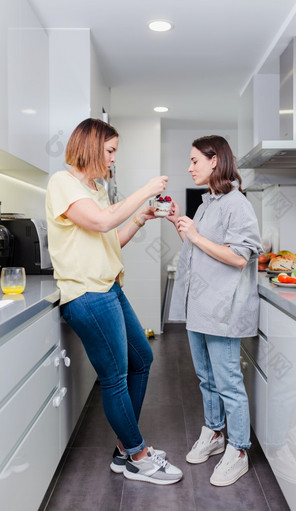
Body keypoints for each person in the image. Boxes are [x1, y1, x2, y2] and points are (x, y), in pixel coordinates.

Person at [45, 118, 183, 486]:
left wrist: (140, 218)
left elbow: (110, 239)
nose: (113, 159)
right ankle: (137, 455)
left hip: (109, 288)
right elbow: (103, 222)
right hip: (86, 294)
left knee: (142, 359)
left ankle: (125, 449)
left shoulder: (96, 188)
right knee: (115, 377)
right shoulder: (63, 183)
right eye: (110, 151)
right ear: (90, 146)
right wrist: (145, 190)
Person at [168, 135, 263, 486]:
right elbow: (202, 251)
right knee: (206, 378)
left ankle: (238, 449)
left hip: (223, 308)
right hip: (200, 306)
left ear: (214, 161)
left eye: (195, 160)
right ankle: (214, 432)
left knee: (228, 382)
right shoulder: (208, 203)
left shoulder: (237, 203)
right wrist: (183, 226)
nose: (189, 167)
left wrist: (194, 236)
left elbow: (239, 256)